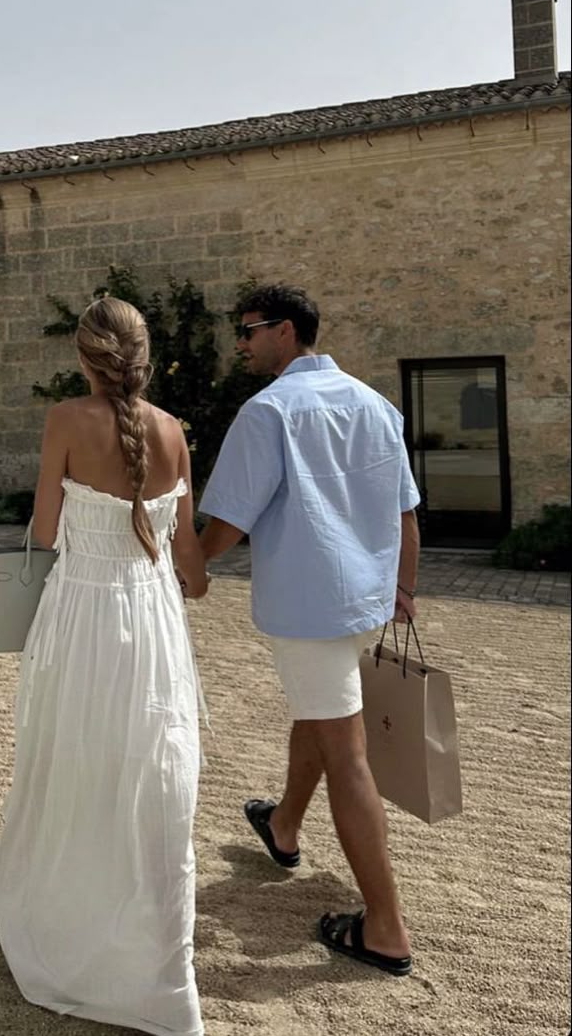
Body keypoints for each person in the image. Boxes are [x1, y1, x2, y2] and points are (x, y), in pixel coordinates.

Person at [0, 296, 208, 1036]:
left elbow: (45, 532)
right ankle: (153, 966)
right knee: (151, 774)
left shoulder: (63, 423)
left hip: (82, 613)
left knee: (74, 763)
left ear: (84, 357)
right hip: (152, 622)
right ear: (143, 355)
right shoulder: (175, 432)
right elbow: (192, 565)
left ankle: (74, 930)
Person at [198, 283, 421, 978]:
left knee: (346, 752)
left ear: (286, 332)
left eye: (249, 330)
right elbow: (407, 511)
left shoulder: (268, 411)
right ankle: (284, 824)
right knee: (322, 717)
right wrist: (404, 587)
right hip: (365, 601)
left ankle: (385, 926)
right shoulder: (376, 404)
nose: (241, 342)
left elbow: (228, 522)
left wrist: (187, 566)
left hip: (311, 608)